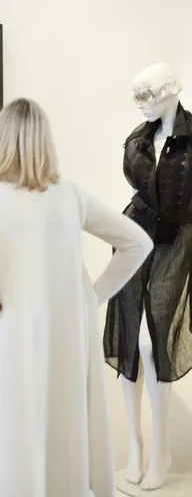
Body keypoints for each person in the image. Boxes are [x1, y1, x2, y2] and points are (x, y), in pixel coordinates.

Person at [0, 98, 153, 497]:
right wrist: (89, 298)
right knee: (64, 436)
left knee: (13, 441)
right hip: (67, 340)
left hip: (6, 341)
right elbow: (137, 243)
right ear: (45, 143)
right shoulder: (70, 196)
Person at [103, 62, 192, 490]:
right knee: (128, 338)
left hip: (178, 240)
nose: (142, 105)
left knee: (153, 340)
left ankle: (161, 450)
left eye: (148, 95)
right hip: (135, 235)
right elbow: (139, 192)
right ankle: (135, 446)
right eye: (136, 97)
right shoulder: (137, 139)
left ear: (172, 90)